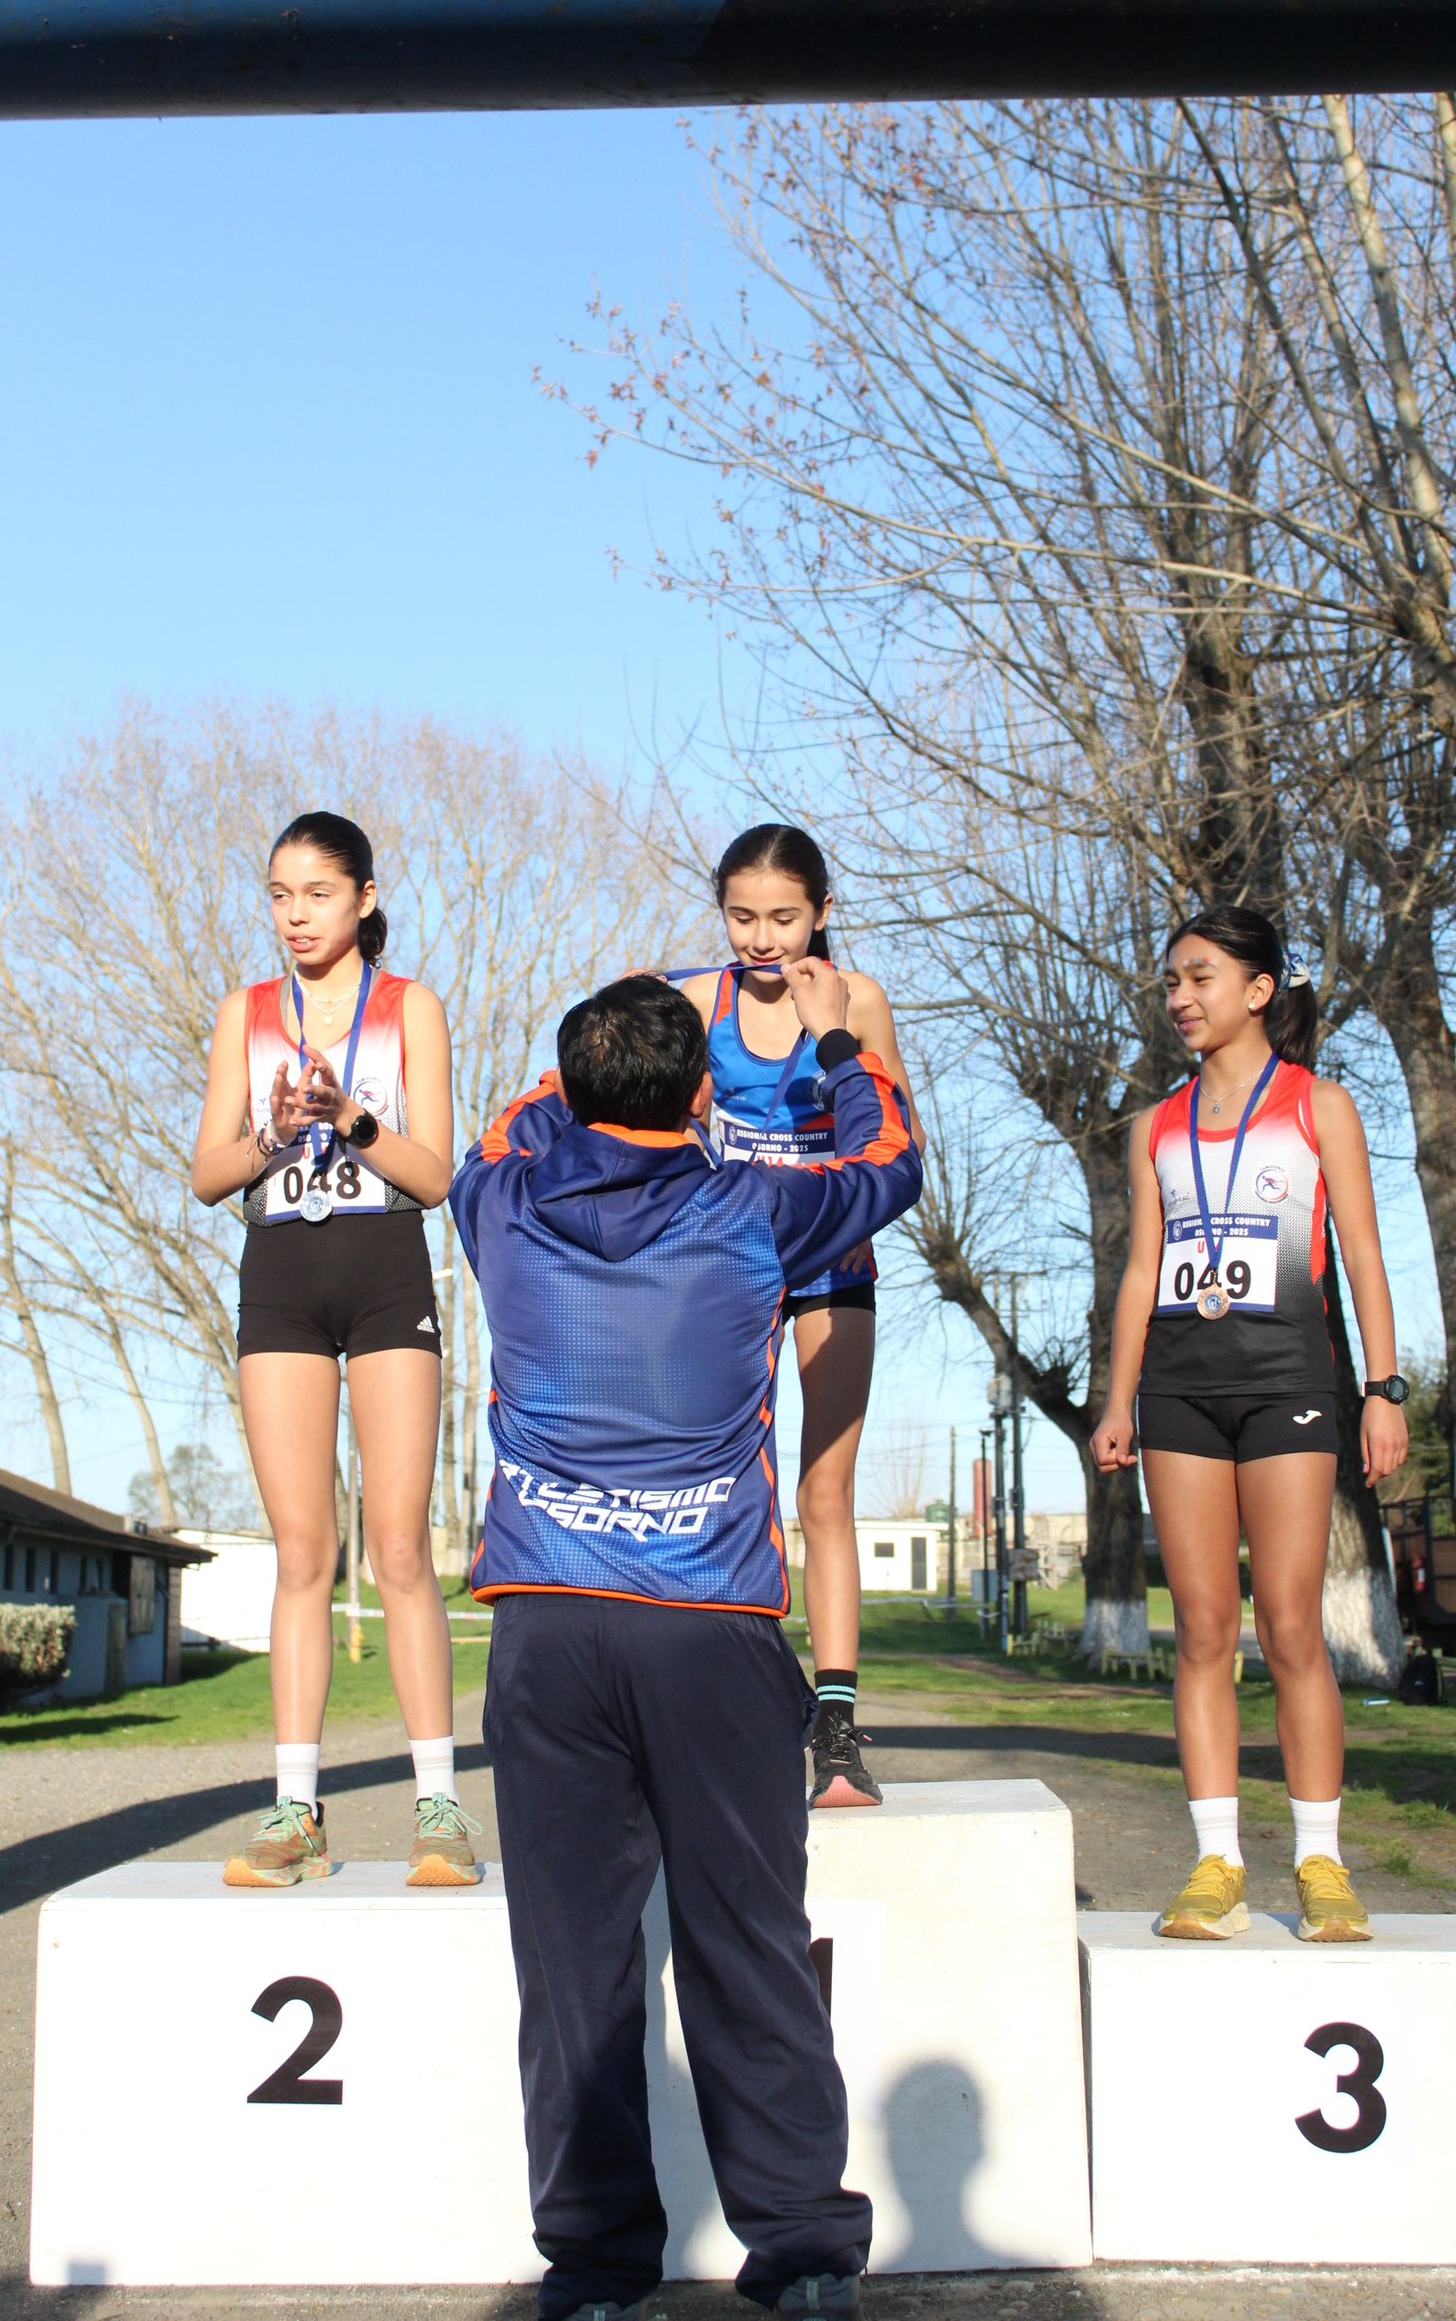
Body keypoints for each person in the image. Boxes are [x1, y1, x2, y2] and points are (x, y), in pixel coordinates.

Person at [450, 964, 922, 2321]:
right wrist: (835, 1041)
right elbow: (887, 1157)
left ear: (577, 1087)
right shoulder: (758, 1207)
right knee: (747, 1943)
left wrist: (601, 1054)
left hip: (546, 1628)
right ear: (706, 1094)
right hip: (710, 1627)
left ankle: (595, 2274)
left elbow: (515, 1116)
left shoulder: (503, 1202)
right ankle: (806, 2255)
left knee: (574, 1959)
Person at [1090, 906, 1410, 1945]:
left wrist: (1384, 1388)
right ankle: (1214, 1862)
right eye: (1171, 981)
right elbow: (1142, 1269)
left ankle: (1320, 1863)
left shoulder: (1320, 1107)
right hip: (1178, 1390)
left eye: (1199, 977)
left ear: (1258, 989)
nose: (1179, 997)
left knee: (1287, 1626)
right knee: (1200, 1632)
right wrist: (1115, 1401)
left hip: (1290, 1382)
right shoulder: (1155, 1125)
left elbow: (1360, 1253)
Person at [191, 811, 480, 1889]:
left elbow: (438, 1173)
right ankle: (294, 1812)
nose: (294, 915)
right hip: (279, 1277)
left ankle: (439, 1809)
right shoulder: (244, 1013)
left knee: (399, 1550)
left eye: (315, 892)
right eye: (278, 894)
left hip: (385, 1269)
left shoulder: (412, 1009)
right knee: (304, 1552)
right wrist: (273, 1133)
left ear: (364, 896)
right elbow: (207, 1173)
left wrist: (352, 1118)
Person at [675, 824, 924, 1811]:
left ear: (822, 912)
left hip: (831, 1260)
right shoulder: (699, 1003)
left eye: (783, 917)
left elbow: (891, 1135)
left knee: (825, 1491)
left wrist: (835, 1034)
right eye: (741, 917)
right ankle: (710, 1705)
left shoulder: (858, 1000)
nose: (761, 939)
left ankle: (835, 1727)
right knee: (712, 1479)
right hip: (732, 1266)